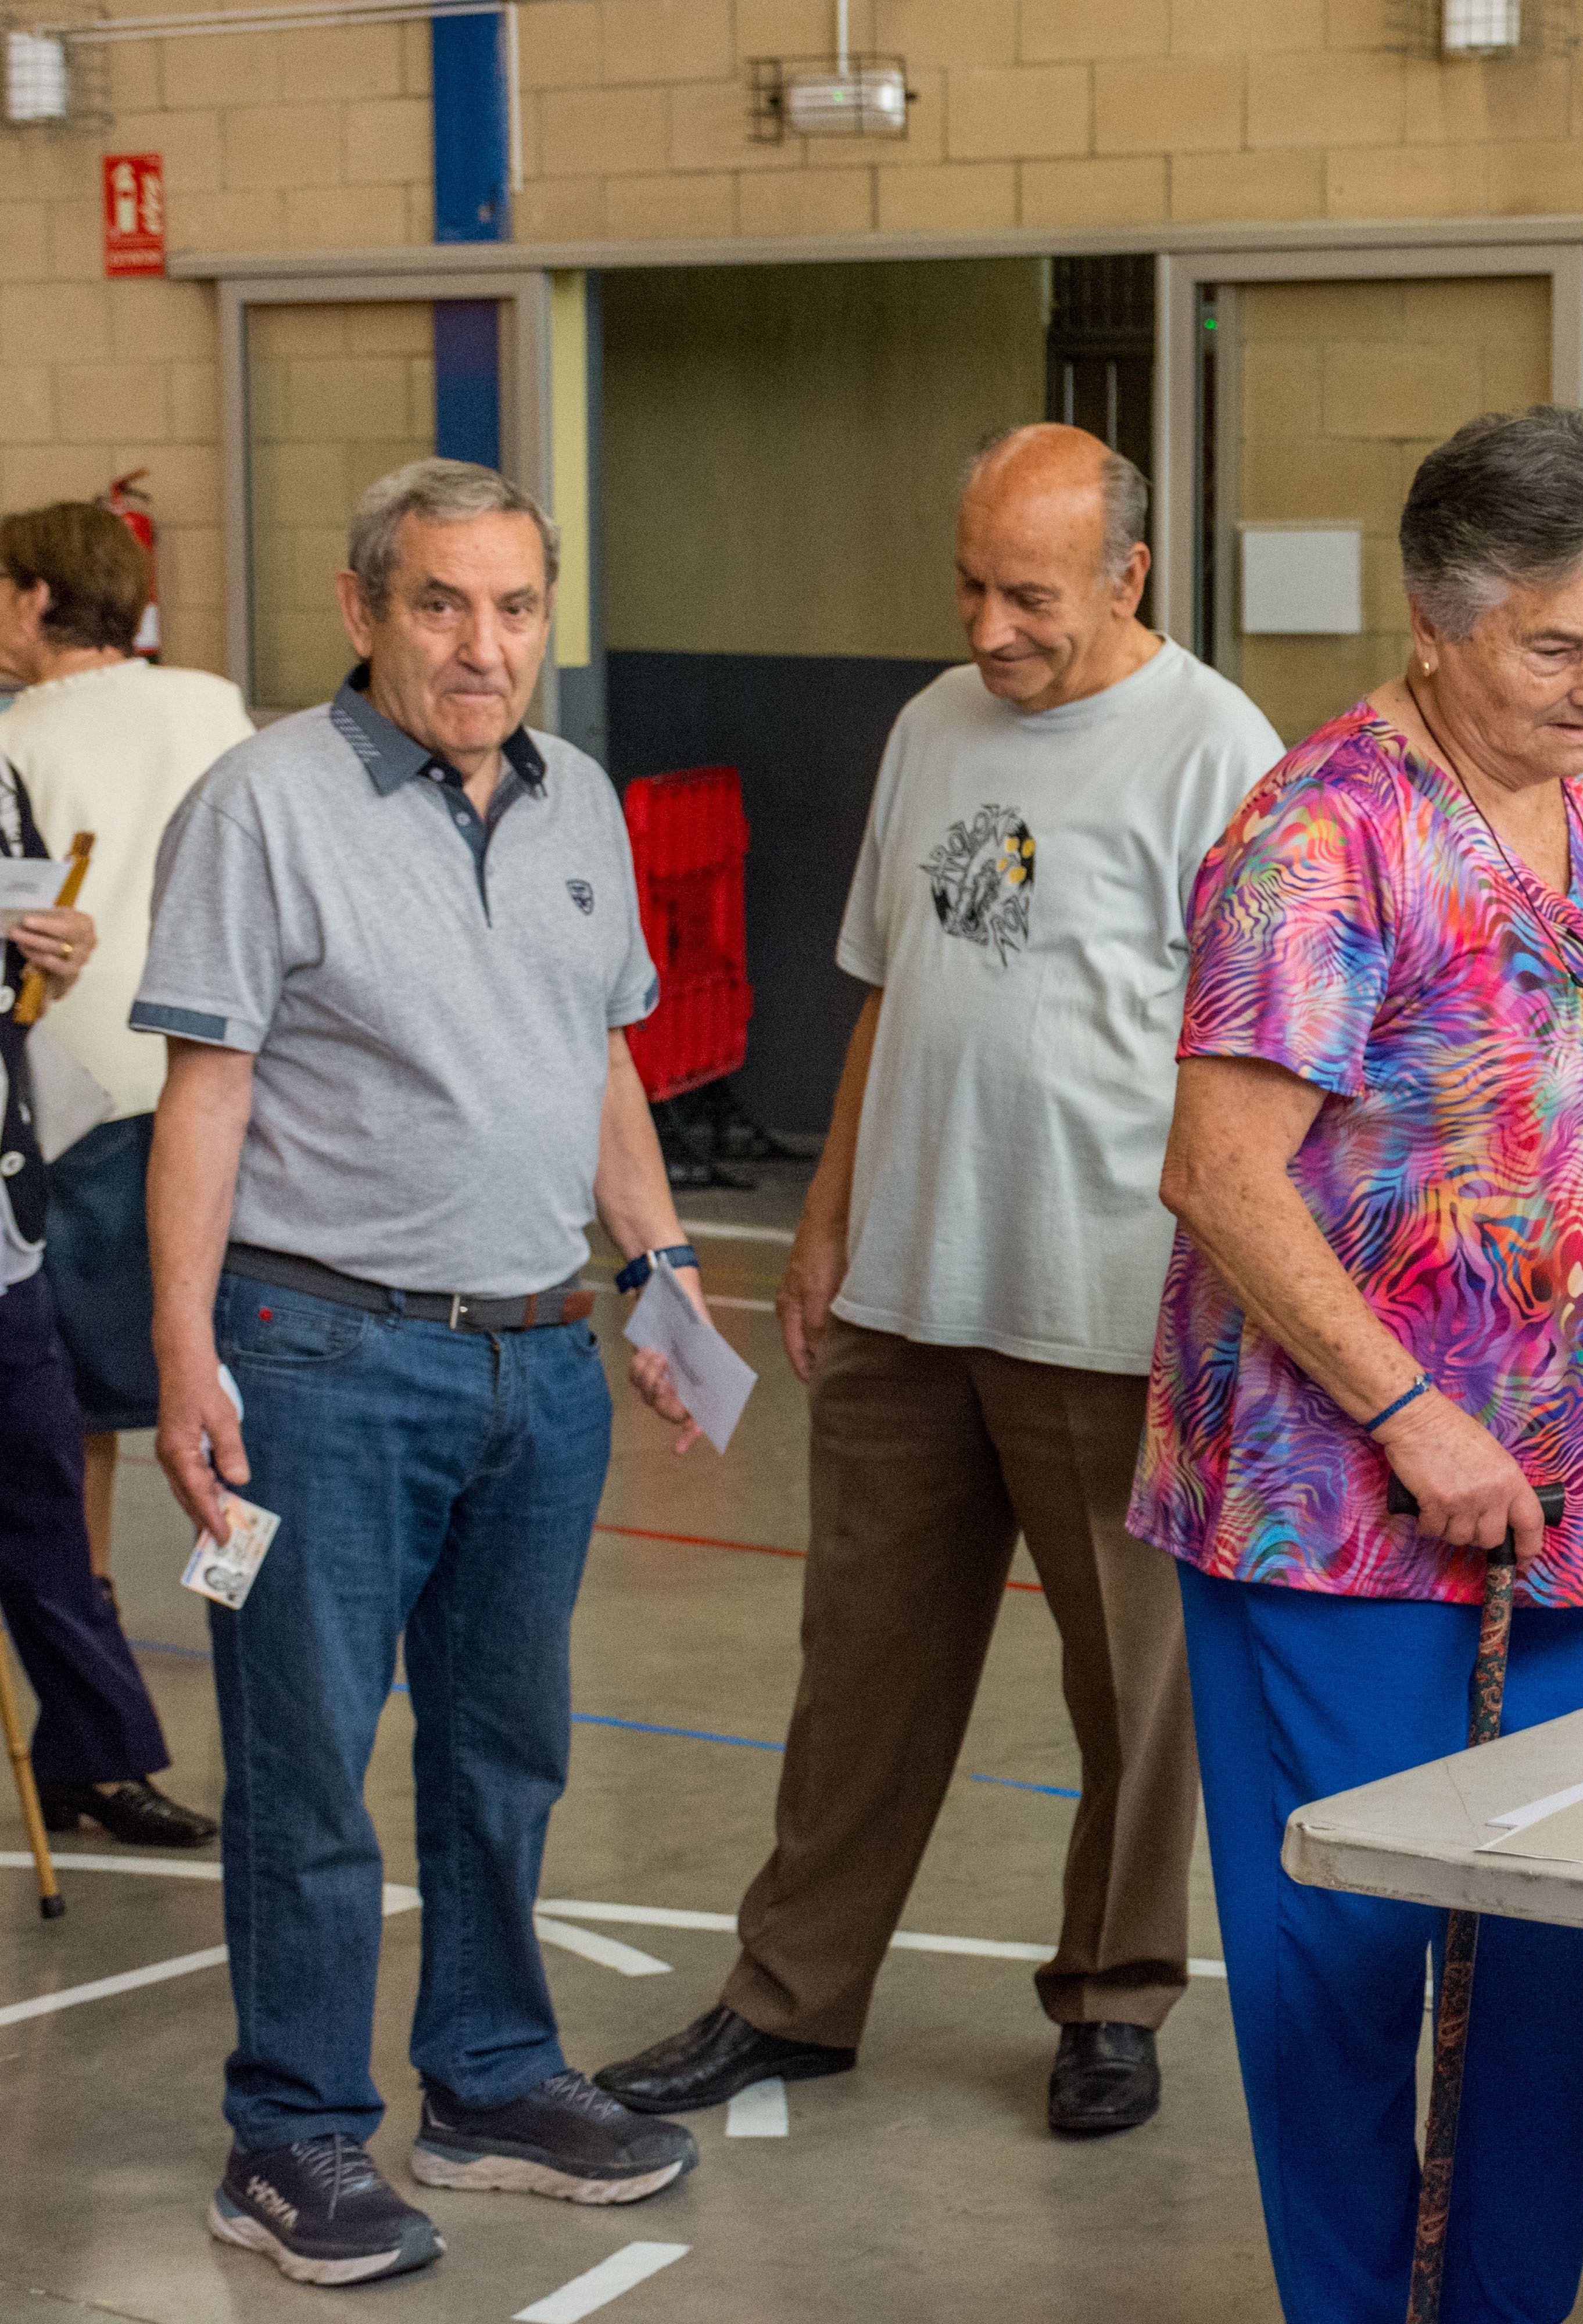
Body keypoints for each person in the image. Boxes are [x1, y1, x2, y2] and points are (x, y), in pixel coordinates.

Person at [595, 425, 1280, 2140]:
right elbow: (889, 990)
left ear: (1127, 576)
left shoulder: (1221, 753)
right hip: (912, 1290)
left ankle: (1112, 1999)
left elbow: (1260, 1060)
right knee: (858, 1672)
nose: (988, 625)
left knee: (1133, 1695)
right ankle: (791, 1995)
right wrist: (829, 1219)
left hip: (1113, 1307)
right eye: (969, 584)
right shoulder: (927, 727)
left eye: (1027, 594)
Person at [1137, 406, 1583, 2321]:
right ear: (1438, 624)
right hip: (1344, 1517)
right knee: (1355, 1987)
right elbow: (1220, 1176)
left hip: (1567, 1514)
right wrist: (1409, 1410)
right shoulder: (1327, 836)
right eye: (1557, 647)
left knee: (1541, 1980)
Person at [132, 459, 707, 2287]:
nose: (485, 646)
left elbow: (598, 1060)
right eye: (444, 605)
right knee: (309, 1768)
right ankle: (289, 2135)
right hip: (318, 1355)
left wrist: (668, 1268)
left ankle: (489, 2075)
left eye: (518, 607)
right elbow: (205, 1090)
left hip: (534, 1360)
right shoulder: (262, 805)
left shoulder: (582, 804)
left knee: (504, 1751)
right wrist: (182, 1350)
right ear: (364, 604)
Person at [0, 500, 255, 1652]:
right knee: (235, 1384)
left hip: (87, 1099)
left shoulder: (16, 740)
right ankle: (244, 1604)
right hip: (227, 1081)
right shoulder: (211, 702)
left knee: (78, 1415)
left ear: (38, 597)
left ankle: (88, 1642)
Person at [1, 768, 196, 1852]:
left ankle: (96, 1757)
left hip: (8, 1221)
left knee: (45, 1501)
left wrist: (55, 954)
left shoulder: (1, 772)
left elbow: (30, 976)